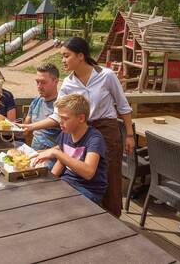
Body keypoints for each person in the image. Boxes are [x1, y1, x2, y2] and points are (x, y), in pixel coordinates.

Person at [20, 37, 134, 217]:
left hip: (106, 130)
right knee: (81, 174)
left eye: (66, 56)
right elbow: (59, 115)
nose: (63, 60)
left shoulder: (106, 75)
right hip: (82, 131)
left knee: (110, 177)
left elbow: (123, 105)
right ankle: (87, 213)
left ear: (80, 56)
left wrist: (129, 134)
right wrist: (30, 127)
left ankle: (112, 218)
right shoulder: (68, 83)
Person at [33, 94, 107, 204]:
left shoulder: (94, 138)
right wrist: (50, 182)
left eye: (65, 118)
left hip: (88, 191)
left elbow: (88, 172)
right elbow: (61, 162)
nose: (60, 122)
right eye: (59, 118)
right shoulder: (66, 133)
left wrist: (56, 153)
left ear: (81, 118)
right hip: (67, 183)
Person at [24, 62, 61, 151]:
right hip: (33, 155)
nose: (39, 86)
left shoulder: (61, 105)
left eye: (43, 82)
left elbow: (68, 143)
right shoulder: (36, 101)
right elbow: (25, 129)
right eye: (37, 82)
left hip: (53, 157)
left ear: (55, 81)